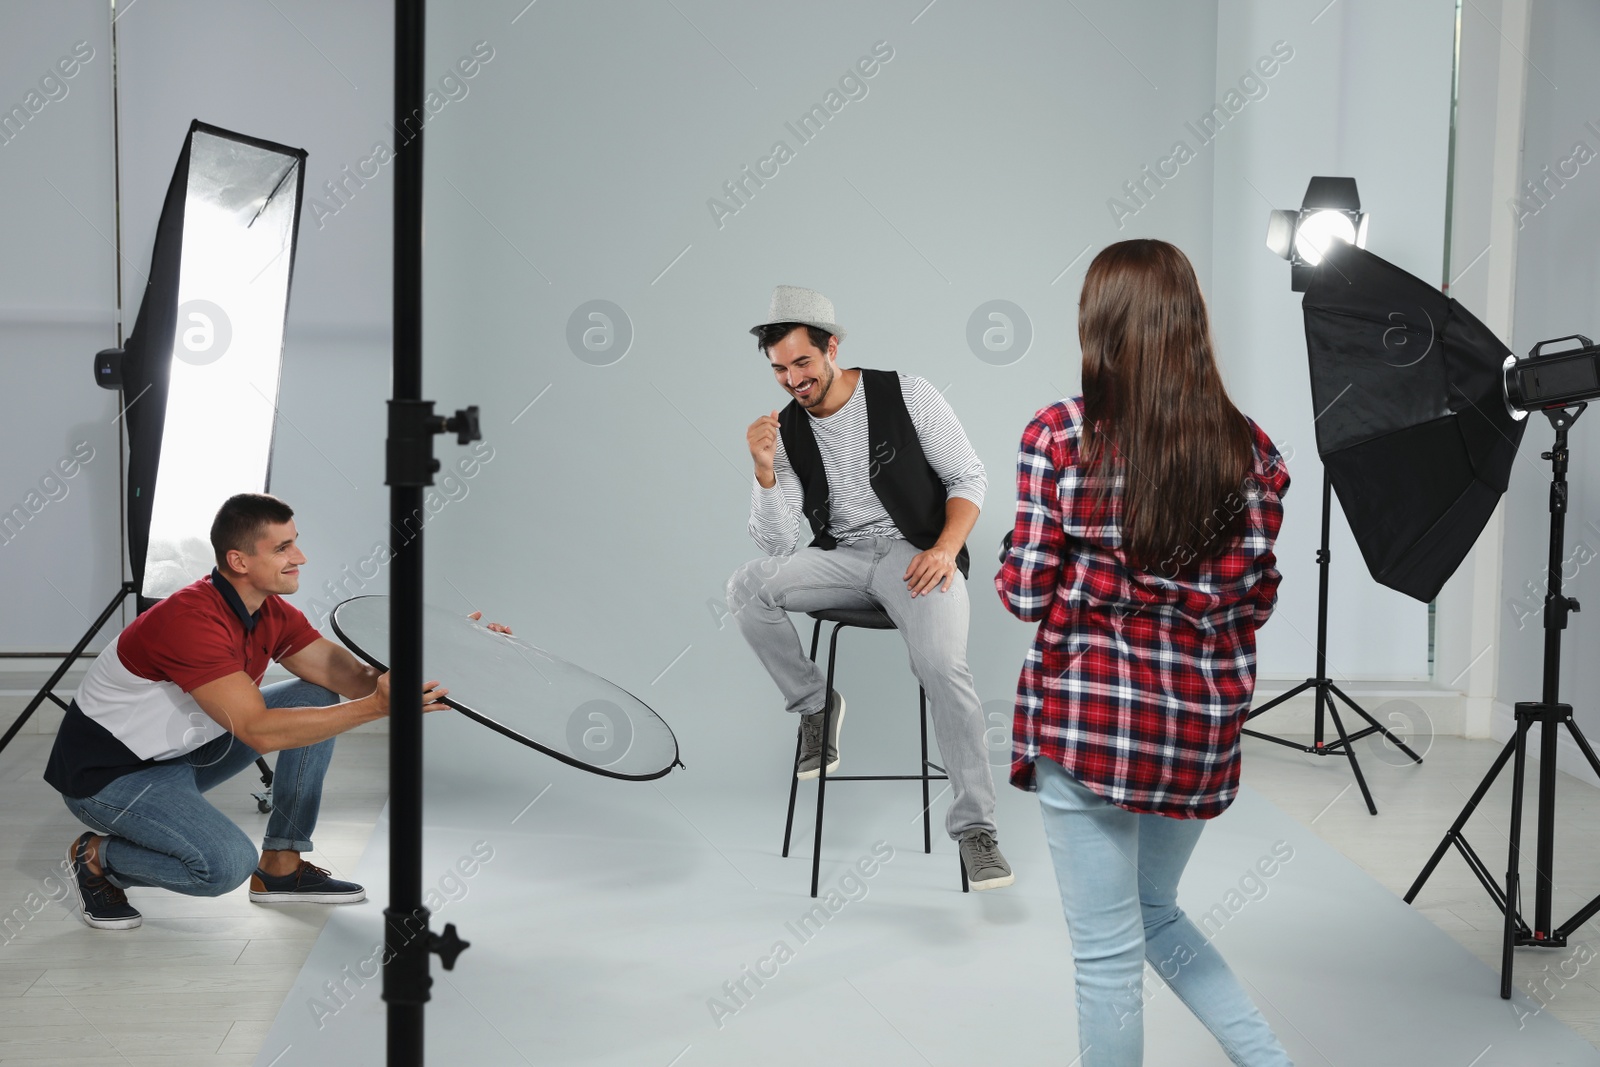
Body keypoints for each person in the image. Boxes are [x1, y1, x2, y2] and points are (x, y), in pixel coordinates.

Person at [995, 240, 1293, 1064]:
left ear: (1101, 327)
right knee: (1155, 912)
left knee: (1105, 956)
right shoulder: (1255, 453)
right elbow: (1255, 600)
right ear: (1188, 324)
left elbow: (1023, 592)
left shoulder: (1061, 435)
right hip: (1197, 733)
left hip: (1090, 723)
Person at [44, 493, 500, 929]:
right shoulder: (189, 622)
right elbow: (258, 731)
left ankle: (282, 866)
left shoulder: (270, 612)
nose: (300, 557)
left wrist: (457, 655)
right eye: (283, 547)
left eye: (295, 542)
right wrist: (380, 708)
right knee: (223, 867)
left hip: (188, 752)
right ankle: (97, 858)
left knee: (315, 692)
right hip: (112, 778)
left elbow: (357, 680)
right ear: (239, 561)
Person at [728, 284, 1012, 890]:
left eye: (802, 363)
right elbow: (777, 545)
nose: (793, 380)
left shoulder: (904, 393)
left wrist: (945, 549)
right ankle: (816, 706)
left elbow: (968, 476)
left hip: (916, 557)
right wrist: (763, 472)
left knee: (943, 669)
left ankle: (977, 831)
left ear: (832, 347)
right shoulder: (785, 429)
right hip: (843, 559)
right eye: (779, 370)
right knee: (750, 586)